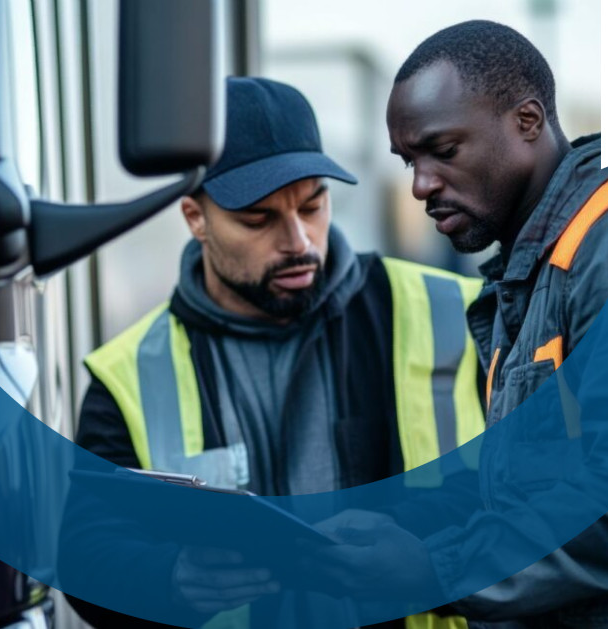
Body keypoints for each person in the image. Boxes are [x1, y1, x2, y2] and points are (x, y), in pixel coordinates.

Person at [308, 20, 608, 628]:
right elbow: (535, 487)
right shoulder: (543, 268)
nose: (421, 184)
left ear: (527, 121)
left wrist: (436, 570)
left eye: (443, 152)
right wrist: (401, 526)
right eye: (409, 160)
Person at [65, 76, 484, 629]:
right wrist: (169, 581)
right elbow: (86, 554)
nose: (298, 242)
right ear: (195, 218)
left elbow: (528, 490)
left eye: (313, 206)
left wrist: (421, 550)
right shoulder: (128, 374)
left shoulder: (457, 312)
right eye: (258, 220)